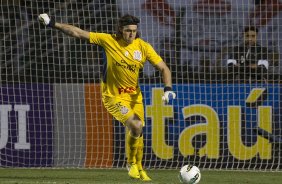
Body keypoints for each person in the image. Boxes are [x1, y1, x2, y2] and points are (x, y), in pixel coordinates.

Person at [38, 13, 176, 181]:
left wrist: (167, 89)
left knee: (138, 131)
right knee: (136, 124)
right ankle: (131, 163)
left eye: (134, 31)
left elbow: (164, 68)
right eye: (128, 31)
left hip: (135, 96)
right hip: (113, 97)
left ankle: (139, 168)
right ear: (120, 30)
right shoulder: (108, 40)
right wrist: (52, 23)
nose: (131, 34)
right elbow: (78, 33)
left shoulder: (143, 47)